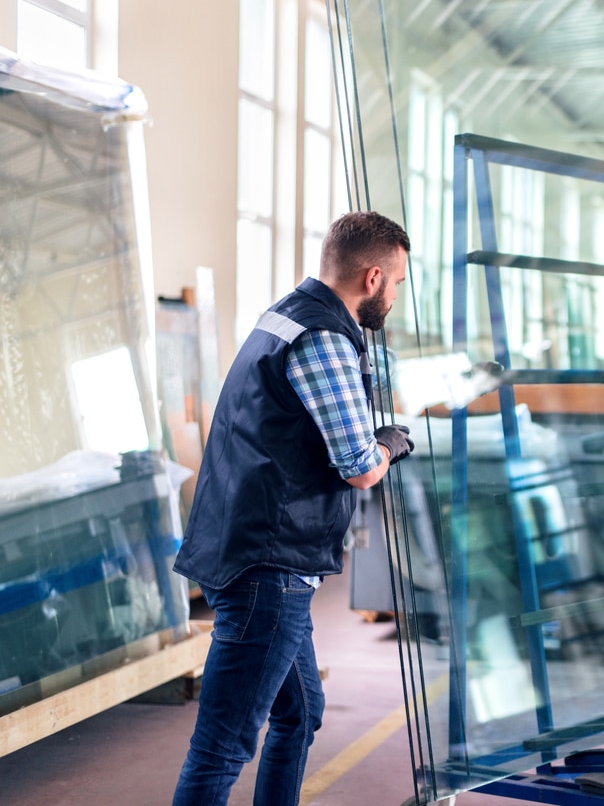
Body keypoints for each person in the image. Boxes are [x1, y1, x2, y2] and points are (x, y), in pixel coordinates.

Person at [171, 211, 415, 805]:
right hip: (268, 569)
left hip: (250, 550)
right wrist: (393, 441)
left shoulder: (282, 315)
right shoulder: (325, 338)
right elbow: (358, 466)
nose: (397, 297)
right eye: (400, 284)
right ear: (375, 277)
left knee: (300, 714)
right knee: (223, 746)